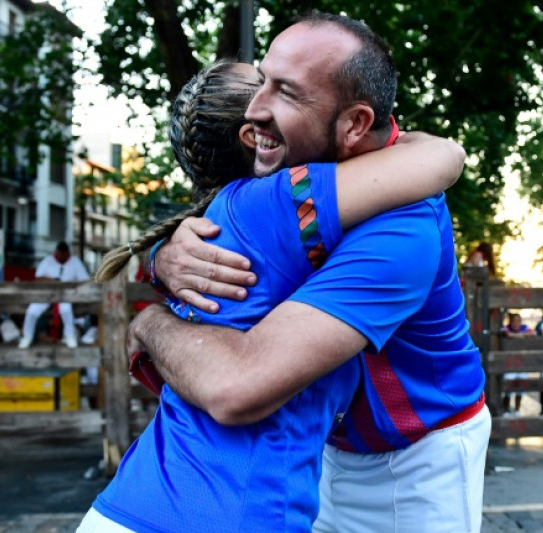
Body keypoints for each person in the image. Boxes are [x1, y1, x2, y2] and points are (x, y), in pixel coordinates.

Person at [131, 13, 490, 533]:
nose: (254, 110)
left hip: (416, 458)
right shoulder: (294, 188)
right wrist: (166, 253)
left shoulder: (403, 227)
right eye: (262, 80)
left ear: (354, 125)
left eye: (286, 92)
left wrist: (149, 322)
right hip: (325, 447)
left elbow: (241, 384)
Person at [18, 242, 89, 349]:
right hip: (47, 294)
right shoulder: (47, 261)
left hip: (66, 295)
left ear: (67, 253)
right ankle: (27, 336)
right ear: (57, 252)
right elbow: (38, 278)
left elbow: (84, 280)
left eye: (64, 254)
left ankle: (69, 336)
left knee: (66, 309)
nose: (62, 256)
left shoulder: (75, 262)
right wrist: (53, 280)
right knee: (32, 311)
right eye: (60, 253)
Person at [501, 312, 533, 416]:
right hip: (509, 363)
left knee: (521, 387)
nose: (516, 323)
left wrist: (516, 336)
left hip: (521, 363)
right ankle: (505, 410)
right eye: (514, 321)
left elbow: (533, 333)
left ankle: (517, 409)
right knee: (508, 388)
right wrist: (522, 336)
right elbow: (507, 334)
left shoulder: (525, 327)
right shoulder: (506, 328)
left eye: (518, 321)